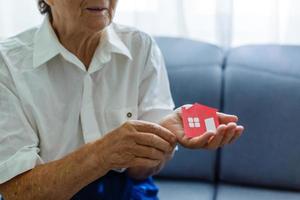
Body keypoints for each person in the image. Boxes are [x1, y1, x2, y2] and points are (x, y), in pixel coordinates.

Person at [0, 0, 244, 199]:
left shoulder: (140, 46)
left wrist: (158, 142)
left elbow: (140, 173)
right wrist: (103, 154)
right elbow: (17, 191)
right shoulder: (7, 64)